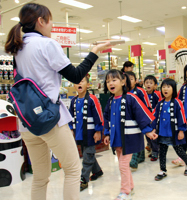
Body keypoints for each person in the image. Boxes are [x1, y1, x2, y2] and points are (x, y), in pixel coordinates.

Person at [4, 3, 112, 200]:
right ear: (41, 21)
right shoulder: (47, 44)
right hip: (50, 119)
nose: (52, 25)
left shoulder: (18, 49)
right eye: (50, 20)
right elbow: (76, 75)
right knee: (72, 169)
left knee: (40, 177)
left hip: (27, 122)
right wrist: (95, 51)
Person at [103, 70, 157, 200]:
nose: (111, 83)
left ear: (122, 82)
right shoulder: (110, 101)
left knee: (122, 165)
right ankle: (130, 187)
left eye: (114, 80)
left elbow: (141, 115)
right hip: (117, 139)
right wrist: (106, 134)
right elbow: (106, 119)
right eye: (108, 81)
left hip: (129, 139)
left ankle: (125, 191)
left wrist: (148, 130)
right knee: (124, 165)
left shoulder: (131, 98)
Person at [151, 78, 187, 181]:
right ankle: (163, 170)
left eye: (168, 87)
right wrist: (152, 129)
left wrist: (181, 130)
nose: (165, 89)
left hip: (173, 132)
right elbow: (154, 116)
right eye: (163, 87)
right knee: (162, 152)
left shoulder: (177, 102)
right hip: (162, 133)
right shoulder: (160, 103)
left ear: (173, 89)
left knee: (179, 151)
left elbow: (182, 117)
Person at [68, 76, 104, 191]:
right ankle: (97, 171)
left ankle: (83, 180)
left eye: (82, 81)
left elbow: (98, 115)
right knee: (87, 153)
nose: (79, 83)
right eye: (76, 81)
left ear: (87, 85)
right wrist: (71, 129)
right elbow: (70, 117)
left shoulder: (92, 99)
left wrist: (98, 131)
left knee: (87, 155)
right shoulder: (73, 101)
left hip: (90, 133)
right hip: (79, 133)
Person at [126, 71, 152, 168]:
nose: (128, 82)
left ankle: (134, 159)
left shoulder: (140, 91)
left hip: (140, 118)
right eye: (126, 80)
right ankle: (141, 156)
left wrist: (148, 118)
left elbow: (147, 104)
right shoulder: (123, 92)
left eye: (131, 79)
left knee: (138, 137)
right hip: (129, 120)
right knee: (136, 137)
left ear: (136, 81)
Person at [144, 75, 162, 161]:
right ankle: (151, 149)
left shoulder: (157, 94)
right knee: (147, 135)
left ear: (155, 85)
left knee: (154, 136)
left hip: (155, 119)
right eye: (147, 82)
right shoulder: (143, 94)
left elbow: (159, 106)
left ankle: (155, 152)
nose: (149, 85)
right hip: (146, 119)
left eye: (151, 83)